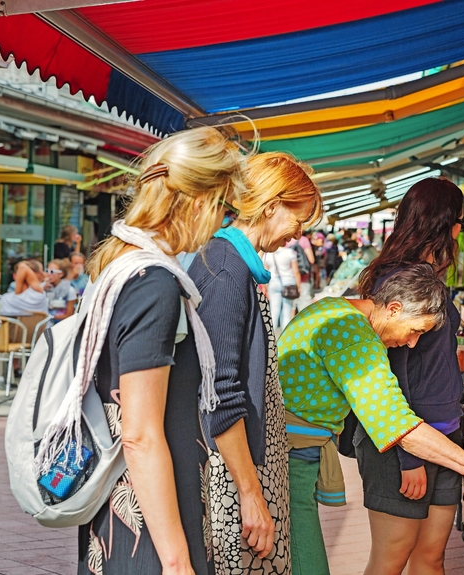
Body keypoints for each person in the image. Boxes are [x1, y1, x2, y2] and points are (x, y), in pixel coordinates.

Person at [69, 125, 246, 575]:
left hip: (121, 499)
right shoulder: (155, 283)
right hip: (148, 512)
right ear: (201, 200)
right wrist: (176, 558)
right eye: (226, 210)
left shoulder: (116, 262)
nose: (220, 225)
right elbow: (141, 434)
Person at [278, 264, 464, 575]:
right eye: (415, 330)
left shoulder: (335, 309)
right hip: (291, 456)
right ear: (394, 308)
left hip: (290, 451)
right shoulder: (354, 335)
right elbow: (399, 426)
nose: (412, 342)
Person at [189, 151, 321, 575]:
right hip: (236, 474)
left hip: (249, 468)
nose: (298, 234)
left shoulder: (238, 265)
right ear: (270, 205)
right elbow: (221, 394)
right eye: (297, 219)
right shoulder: (228, 270)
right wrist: (250, 494)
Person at [355, 178, 464, 575]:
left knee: (430, 557)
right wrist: (408, 456)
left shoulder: (427, 277)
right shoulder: (398, 282)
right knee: (391, 560)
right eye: (458, 222)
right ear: (440, 223)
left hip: (446, 433)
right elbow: (389, 379)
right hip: (404, 443)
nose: (459, 232)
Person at [264, 245, 301, 332]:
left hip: (273, 282)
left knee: (274, 311)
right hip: (288, 282)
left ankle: (270, 337)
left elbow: (265, 271)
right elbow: (296, 271)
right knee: (286, 312)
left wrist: (266, 288)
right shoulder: (290, 252)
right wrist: (298, 286)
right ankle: (285, 337)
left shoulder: (268, 253)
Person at [290, 233, 314, 312]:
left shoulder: (284, 239)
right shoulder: (303, 240)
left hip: (288, 278)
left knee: (290, 306)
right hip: (303, 277)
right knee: (304, 303)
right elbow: (311, 259)